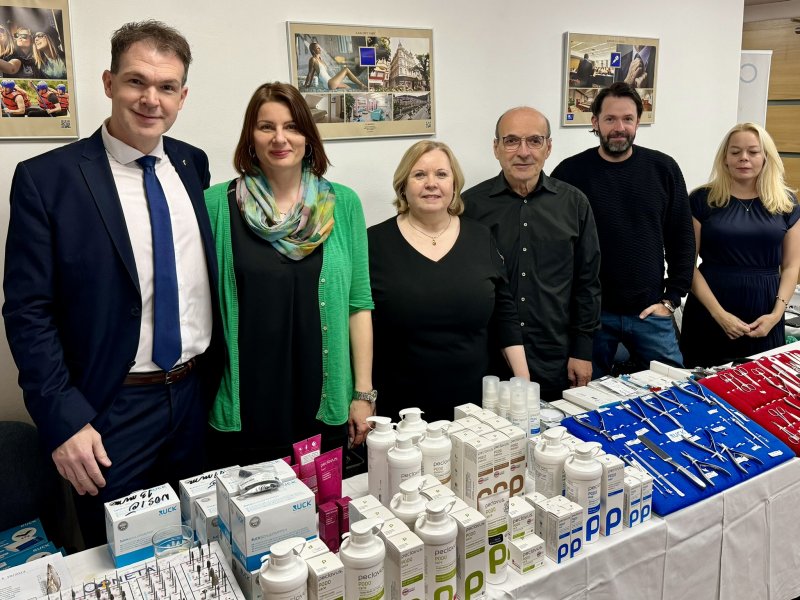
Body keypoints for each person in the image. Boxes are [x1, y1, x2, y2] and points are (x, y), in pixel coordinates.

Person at [2, 20, 222, 548]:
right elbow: (28, 311)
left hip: (193, 398)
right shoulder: (47, 179)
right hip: (109, 412)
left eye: (167, 87)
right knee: (119, 560)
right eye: (135, 81)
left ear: (183, 96)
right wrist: (64, 420)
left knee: (200, 549)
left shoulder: (192, 164)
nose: (151, 99)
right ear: (108, 82)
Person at [204, 82, 375, 465]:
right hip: (245, 413)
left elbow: (358, 305)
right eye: (266, 127)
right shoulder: (215, 205)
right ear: (250, 137)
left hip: (322, 408)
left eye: (292, 126)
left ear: (308, 137)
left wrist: (362, 394)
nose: (280, 138)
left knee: (325, 502)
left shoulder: (343, 204)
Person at [369, 141, 529, 421]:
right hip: (402, 409)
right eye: (420, 175)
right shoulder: (373, 243)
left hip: (476, 406)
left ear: (454, 185)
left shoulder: (481, 237)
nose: (431, 183)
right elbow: (359, 325)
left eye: (441, 174)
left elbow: (505, 314)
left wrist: (523, 382)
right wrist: (363, 396)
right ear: (403, 186)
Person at [551, 82, 694, 376]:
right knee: (586, 394)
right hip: (592, 318)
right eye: (610, 119)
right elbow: (555, 247)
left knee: (675, 387)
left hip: (650, 312)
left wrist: (671, 299)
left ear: (638, 122)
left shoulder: (663, 169)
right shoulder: (569, 173)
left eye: (628, 119)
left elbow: (682, 239)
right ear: (595, 122)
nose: (619, 128)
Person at [463, 107, 601, 399]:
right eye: (511, 141)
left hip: (557, 358)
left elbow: (587, 283)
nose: (523, 152)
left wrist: (582, 350)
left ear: (548, 147)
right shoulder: (470, 208)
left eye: (534, 141)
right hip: (487, 361)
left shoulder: (574, 204)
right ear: (496, 148)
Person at [680, 123, 800, 367]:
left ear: (766, 157)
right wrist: (719, 315)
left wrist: (776, 315)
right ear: (725, 158)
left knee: (761, 382)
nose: (744, 158)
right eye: (735, 152)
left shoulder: (786, 202)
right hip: (710, 311)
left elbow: (791, 265)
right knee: (702, 383)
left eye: (753, 152)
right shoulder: (702, 199)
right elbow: (687, 265)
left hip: (766, 313)